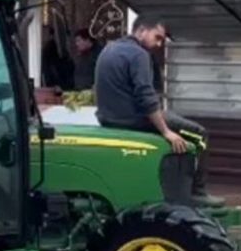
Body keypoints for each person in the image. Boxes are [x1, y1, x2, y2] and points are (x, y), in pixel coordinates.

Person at [94, 16, 222, 208]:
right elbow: (146, 96)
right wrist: (166, 131)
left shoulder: (109, 49)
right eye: (158, 37)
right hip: (133, 118)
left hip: (108, 118)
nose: (159, 44)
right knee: (199, 135)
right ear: (142, 30)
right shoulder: (139, 55)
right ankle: (197, 192)